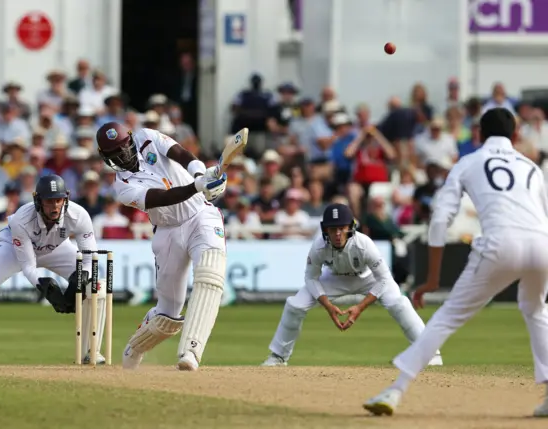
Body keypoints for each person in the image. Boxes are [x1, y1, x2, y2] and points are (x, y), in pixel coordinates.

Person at [363, 108, 548, 418]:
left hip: (500, 243)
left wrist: (432, 278)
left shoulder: (468, 162)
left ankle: (394, 391)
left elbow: (439, 222)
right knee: (536, 309)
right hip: (542, 246)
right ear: (516, 135)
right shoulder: (532, 168)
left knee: (448, 315)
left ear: (479, 135)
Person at [0, 175, 107, 365]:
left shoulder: (79, 214)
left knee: (97, 284)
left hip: (57, 248)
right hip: (14, 250)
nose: (55, 206)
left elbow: (90, 257)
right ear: (37, 200)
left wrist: (81, 279)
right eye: (49, 201)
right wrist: (46, 288)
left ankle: (91, 351)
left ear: (66, 198)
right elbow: (28, 265)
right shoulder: (21, 219)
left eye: (59, 200)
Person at [95, 122, 228, 371]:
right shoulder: (122, 187)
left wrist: (202, 175)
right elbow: (162, 197)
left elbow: (181, 154)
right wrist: (197, 186)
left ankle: (191, 351)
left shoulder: (147, 136)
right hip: (167, 231)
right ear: (106, 158)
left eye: (123, 148)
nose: (122, 157)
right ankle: (134, 348)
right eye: (114, 155)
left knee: (211, 275)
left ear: (131, 140)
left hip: (202, 215)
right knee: (168, 315)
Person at [261, 203, 442, 367]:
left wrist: (360, 307)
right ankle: (278, 357)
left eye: (342, 228)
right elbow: (310, 278)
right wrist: (328, 306)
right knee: (295, 305)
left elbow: (384, 279)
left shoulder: (364, 244)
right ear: (326, 231)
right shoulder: (318, 246)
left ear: (350, 228)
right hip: (334, 279)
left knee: (400, 304)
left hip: (368, 278)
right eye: (333, 230)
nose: (338, 234)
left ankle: (430, 354)